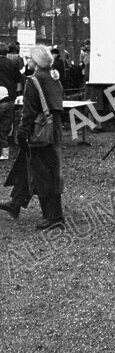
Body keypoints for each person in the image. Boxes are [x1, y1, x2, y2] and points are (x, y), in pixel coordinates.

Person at [0, 45, 65, 228]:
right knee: (29, 165)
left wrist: (22, 132)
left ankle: (54, 217)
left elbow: (29, 111)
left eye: (29, 58)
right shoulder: (54, 77)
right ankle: (16, 203)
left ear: (36, 62)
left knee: (42, 172)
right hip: (54, 130)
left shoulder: (34, 80)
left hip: (39, 133)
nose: (27, 61)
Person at [0, 43, 23, 161]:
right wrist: (18, 93)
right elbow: (19, 79)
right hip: (10, 96)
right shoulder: (12, 63)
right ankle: (9, 142)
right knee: (8, 121)